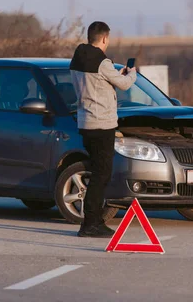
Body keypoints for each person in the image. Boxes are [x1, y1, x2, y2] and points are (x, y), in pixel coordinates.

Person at [70, 21, 137, 238]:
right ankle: (90, 224)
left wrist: (116, 72)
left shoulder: (77, 59)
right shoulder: (102, 62)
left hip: (86, 122)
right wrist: (131, 73)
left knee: (98, 173)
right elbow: (125, 84)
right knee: (101, 175)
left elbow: (99, 81)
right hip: (102, 124)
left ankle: (94, 220)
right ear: (105, 38)